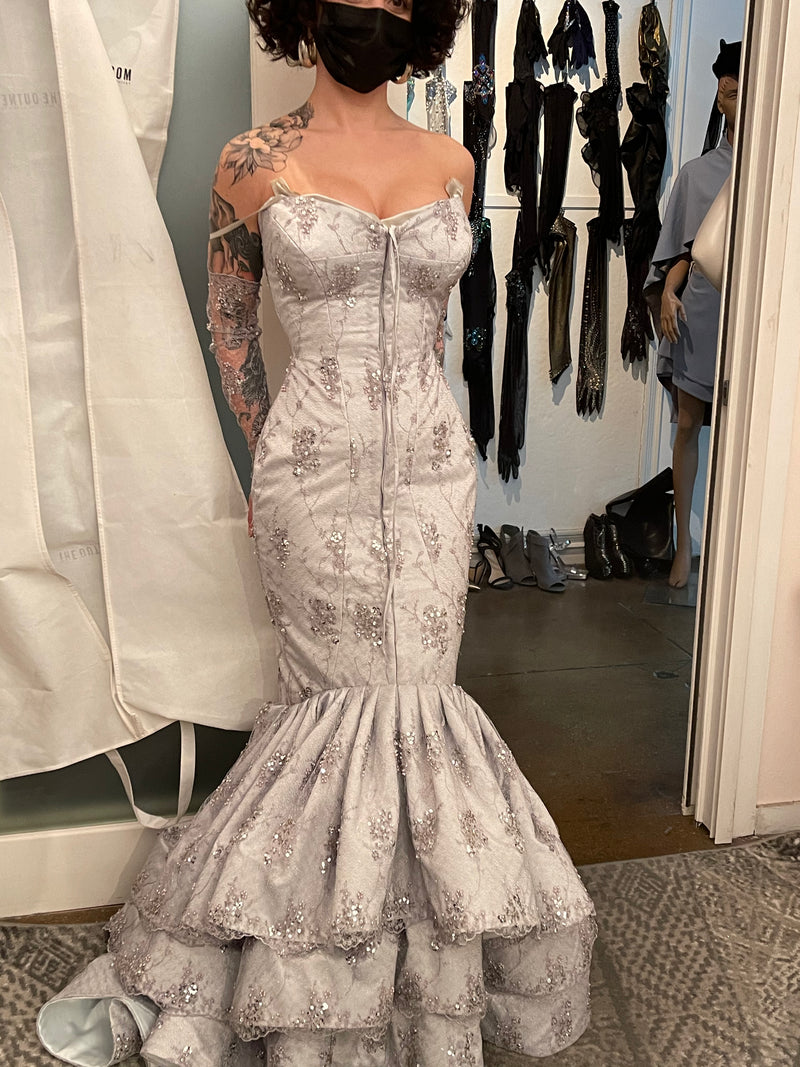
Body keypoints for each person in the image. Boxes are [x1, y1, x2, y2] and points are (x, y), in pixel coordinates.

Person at [37, 3, 595, 1063]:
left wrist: (427, 445)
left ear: (421, 19)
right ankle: (304, 974)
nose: (372, 8)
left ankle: (417, 979)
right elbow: (230, 327)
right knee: (330, 708)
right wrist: (267, 455)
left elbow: (436, 332)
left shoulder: (452, 163)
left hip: (432, 477)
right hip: (309, 476)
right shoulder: (251, 162)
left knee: (421, 700)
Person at [645, 40, 741, 589]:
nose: (733, 89)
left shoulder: (774, 175)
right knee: (688, 425)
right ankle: (684, 542)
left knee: (739, 436)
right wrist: (666, 292)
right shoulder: (698, 174)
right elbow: (682, 253)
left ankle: (732, 550)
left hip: (750, 320)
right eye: (728, 84)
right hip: (700, 313)